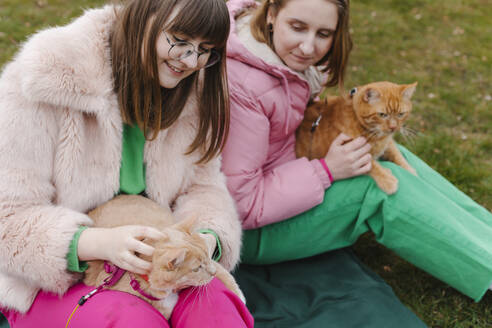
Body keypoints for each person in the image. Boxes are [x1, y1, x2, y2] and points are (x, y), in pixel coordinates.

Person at [222, 0, 492, 326]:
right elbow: (242, 204)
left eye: (324, 33)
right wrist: (325, 170)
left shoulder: (287, 61)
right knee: (374, 186)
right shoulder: (244, 85)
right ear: (272, 14)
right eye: (297, 27)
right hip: (247, 236)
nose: (309, 46)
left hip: (286, 177)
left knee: (394, 156)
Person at [0, 0, 254, 327]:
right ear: (143, 13)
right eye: (179, 40)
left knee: (216, 309)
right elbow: (6, 217)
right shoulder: (48, 77)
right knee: (129, 320)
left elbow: (204, 186)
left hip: (162, 269)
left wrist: (207, 238)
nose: (191, 60)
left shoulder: (193, 87)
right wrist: (99, 244)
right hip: (56, 280)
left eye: (205, 49)